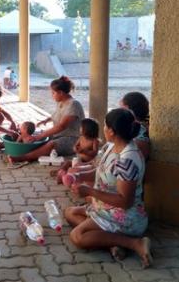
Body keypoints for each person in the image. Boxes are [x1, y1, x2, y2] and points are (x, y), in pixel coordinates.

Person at [64, 108, 152, 268]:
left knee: (78, 236)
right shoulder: (111, 147)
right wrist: (79, 177)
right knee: (69, 212)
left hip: (124, 216)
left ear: (111, 131)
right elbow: (100, 171)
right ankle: (112, 243)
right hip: (105, 208)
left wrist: (89, 191)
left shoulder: (127, 160)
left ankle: (134, 243)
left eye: (105, 125)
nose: (103, 129)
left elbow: (125, 201)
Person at [7, 76, 85, 165]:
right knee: (33, 136)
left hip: (74, 139)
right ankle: (9, 146)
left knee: (50, 143)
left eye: (53, 93)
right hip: (59, 135)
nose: (52, 95)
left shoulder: (73, 104)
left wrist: (38, 137)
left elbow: (62, 126)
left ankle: (23, 157)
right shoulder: (61, 102)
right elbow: (56, 115)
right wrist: (45, 121)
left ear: (61, 93)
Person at [53, 118, 100, 184]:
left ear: (88, 129)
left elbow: (95, 153)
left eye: (81, 127)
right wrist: (75, 149)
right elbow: (75, 146)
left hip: (88, 162)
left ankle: (68, 176)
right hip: (78, 159)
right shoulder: (81, 138)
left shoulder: (94, 141)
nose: (79, 129)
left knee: (76, 168)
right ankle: (60, 172)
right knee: (67, 163)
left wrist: (85, 151)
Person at [119, 92, 150, 160]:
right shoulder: (145, 127)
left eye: (121, 109)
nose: (118, 114)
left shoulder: (137, 130)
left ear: (127, 110)